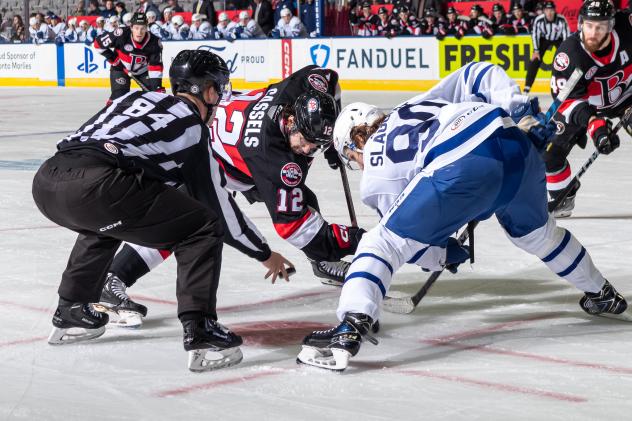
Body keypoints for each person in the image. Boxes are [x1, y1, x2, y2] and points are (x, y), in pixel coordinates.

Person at [296, 61, 631, 371]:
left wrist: (442, 254)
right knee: (538, 235)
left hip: (462, 165)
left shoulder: (374, 179)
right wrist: (516, 108)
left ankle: (350, 326)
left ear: (355, 140)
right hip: (512, 141)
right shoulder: (414, 104)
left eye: (351, 157)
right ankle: (602, 294)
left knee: (380, 242)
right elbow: (477, 73)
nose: (358, 164)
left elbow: (411, 245)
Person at [32, 49, 292, 372]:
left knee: (108, 219)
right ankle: (201, 328)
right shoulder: (194, 129)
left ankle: (71, 307)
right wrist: (264, 253)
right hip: (100, 184)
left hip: (48, 180)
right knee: (203, 227)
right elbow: (220, 211)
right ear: (209, 92)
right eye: (219, 89)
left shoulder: (133, 100)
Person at [98, 65, 367, 327]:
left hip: (233, 149)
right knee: (180, 225)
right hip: (203, 158)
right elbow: (295, 228)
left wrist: (332, 136)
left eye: (315, 145)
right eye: (306, 141)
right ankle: (113, 279)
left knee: (302, 197)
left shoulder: (298, 90)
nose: (308, 149)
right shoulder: (274, 160)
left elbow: (328, 77)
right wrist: (362, 241)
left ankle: (322, 262)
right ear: (292, 120)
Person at [546, 0, 628, 217]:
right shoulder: (570, 54)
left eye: (600, 26)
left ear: (611, 26)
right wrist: (595, 125)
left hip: (626, 98)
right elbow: (567, 102)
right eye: (589, 25)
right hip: (587, 106)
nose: (592, 32)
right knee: (549, 156)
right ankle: (564, 195)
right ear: (581, 22)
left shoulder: (627, 27)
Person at [93, 12, 164, 105]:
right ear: (131, 28)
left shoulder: (155, 42)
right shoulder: (121, 34)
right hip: (120, 69)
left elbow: (156, 67)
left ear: (147, 28)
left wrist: (157, 87)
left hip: (142, 71)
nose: (139, 32)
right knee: (119, 97)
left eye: (143, 28)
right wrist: (114, 60)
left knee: (154, 97)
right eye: (136, 28)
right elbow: (98, 44)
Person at [524, 1, 570, 94]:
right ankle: (527, 87)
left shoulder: (561, 19)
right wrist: (536, 50)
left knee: (563, 61)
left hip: (559, 40)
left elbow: (566, 36)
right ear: (544, 11)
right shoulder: (539, 20)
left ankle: (564, 84)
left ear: (555, 11)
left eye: (551, 10)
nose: (549, 13)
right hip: (544, 39)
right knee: (535, 60)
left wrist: (566, 52)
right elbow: (535, 35)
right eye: (547, 10)